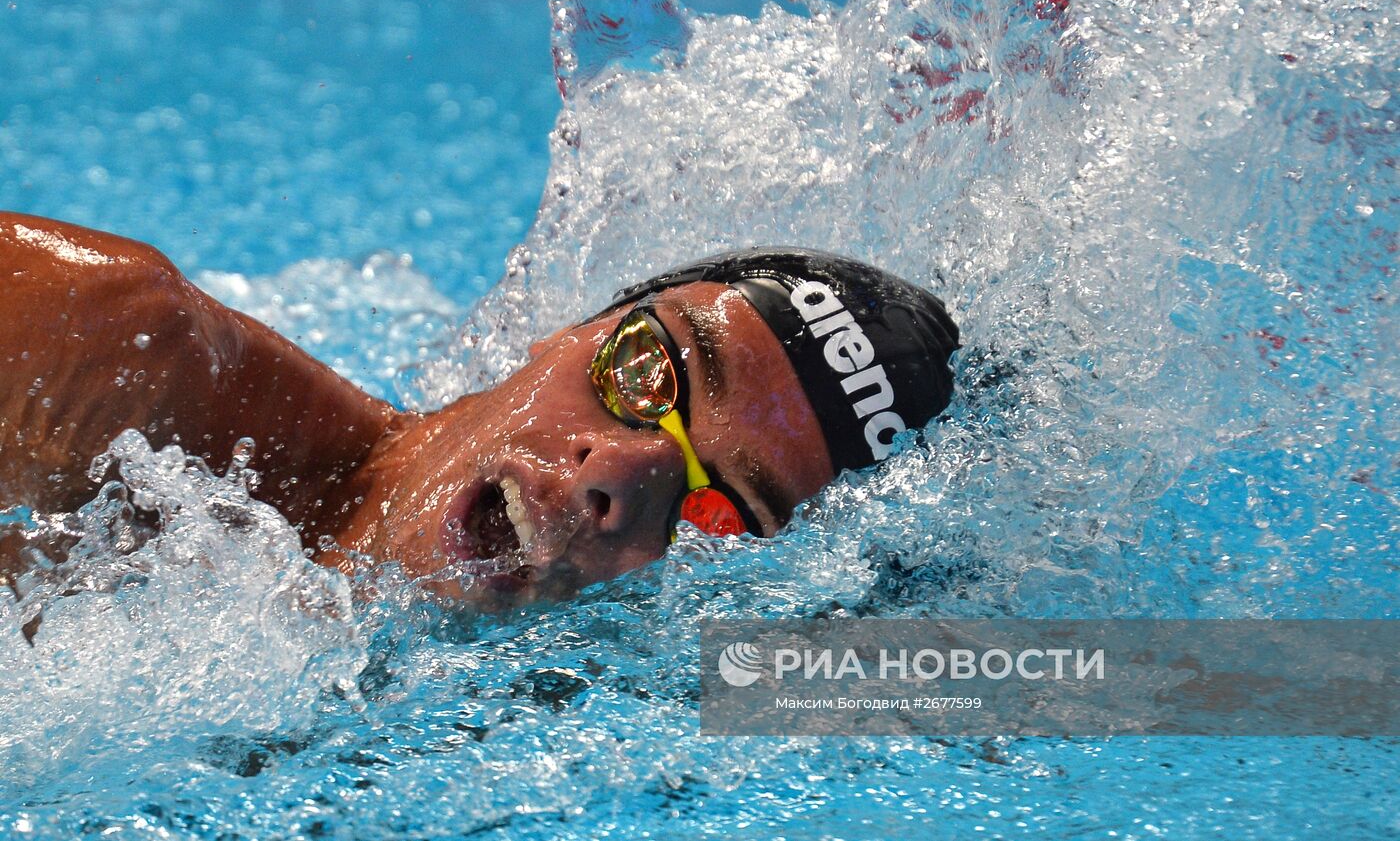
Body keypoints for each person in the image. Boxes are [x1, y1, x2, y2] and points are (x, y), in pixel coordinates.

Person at [0, 212, 958, 607]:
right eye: (649, 374)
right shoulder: (114, 350)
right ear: (564, 330)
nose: (619, 477)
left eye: (720, 509)